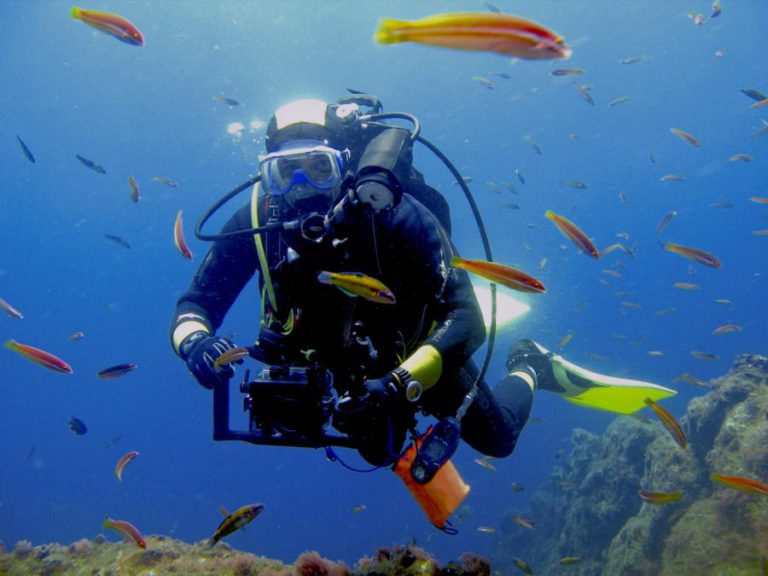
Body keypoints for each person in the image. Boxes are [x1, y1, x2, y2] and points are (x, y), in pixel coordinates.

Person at [170, 96, 674, 472]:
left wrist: (397, 384)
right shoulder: (254, 218)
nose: (301, 187)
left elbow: (468, 318)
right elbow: (197, 303)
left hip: (411, 353)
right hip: (323, 362)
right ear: (267, 175)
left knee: (498, 440)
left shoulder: (391, 213)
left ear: (342, 166)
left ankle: (532, 364)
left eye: (318, 168)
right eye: (285, 172)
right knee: (379, 449)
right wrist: (195, 342)